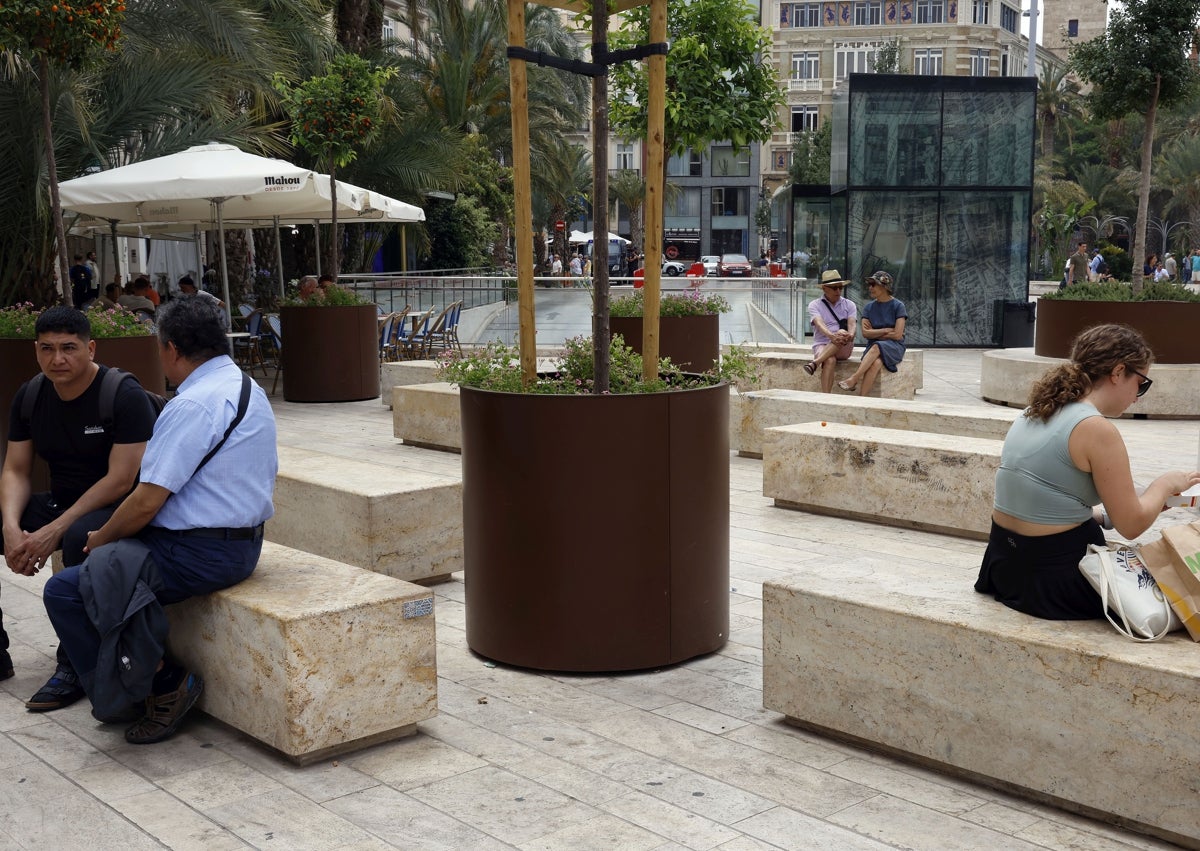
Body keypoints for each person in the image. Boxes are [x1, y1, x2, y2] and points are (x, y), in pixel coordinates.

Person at [42, 295, 278, 743]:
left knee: (66, 589)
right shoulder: (245, 385)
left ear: (169, 348)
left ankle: (158, 686)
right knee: (105, 564)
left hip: (199, 553)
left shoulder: (193, 404)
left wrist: (101, 537)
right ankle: (137, 679)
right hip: (240, 542)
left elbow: (146, 502)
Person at [975, 324, 1200, 620]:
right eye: (1141, 383)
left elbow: (1042, 501)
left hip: (1004, 567)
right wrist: (1164, 484)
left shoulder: (1039, 409)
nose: (1138, 397)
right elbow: (1131, 526)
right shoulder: (1096, 429)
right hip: (1057, 581)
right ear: (1118, 372)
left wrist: (1111, 514)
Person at [1, 307, 155, 702]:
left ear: (91, 347)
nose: (58, 359)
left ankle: (72, 664)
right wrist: (11, 528)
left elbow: (121, 479)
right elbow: (16, 469)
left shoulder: (123, 394)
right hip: (63, 502)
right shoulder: (31, 395)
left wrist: (50, 531)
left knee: (75, 538)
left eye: (69, 348)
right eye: (47, 349)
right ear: (36, 351)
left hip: (120, 510)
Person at [838, 271, 906, 396]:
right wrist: (886, 330)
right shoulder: (868, 308)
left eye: (873, 284)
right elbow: (865, 334)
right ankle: (863, 399)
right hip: (874, 347)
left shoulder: (898, 306)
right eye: (869, 284)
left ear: (884, 287)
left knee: (876, 346)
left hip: (894, 346)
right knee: (876, 363)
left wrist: (874, 332)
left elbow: (897, 335)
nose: (870, 287)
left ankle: (854, 378)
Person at [803, 269, 858, 393]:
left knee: (842, 332)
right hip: (822, 344)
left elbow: (852, 324)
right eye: (834, 288)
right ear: (824, 288)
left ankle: (815, 363)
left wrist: (850, 334)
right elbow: (819, 323)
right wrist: (831, 336)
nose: (838, 291)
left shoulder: (849, 305)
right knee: (829, 359)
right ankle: (826, 395)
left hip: (844, 345)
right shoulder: (814, 305)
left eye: (840, 287)